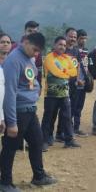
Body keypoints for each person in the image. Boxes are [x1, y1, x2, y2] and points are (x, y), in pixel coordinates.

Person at [0, 33, 57, 191]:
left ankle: (39, 176)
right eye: (34, 49)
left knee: (37, 141)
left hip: (30, 110)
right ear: (25, 42)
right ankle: (5, 182)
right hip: (18, 111)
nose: (36, 54)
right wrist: (11, 122)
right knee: (10, 146)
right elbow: (9, 93)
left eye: (39, 51)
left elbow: (30, 81)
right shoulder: (13, 60)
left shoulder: (29, 58)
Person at [41, 36, 80, 150]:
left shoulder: (67, 58)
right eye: (60, 44)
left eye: (64, 45)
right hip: (51, 94)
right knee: (49, 117)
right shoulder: (49, 58)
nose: (62, 47)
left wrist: (65, 71)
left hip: (64, 94)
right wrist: (66, 72)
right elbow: (55, 72)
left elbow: (74, 72)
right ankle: (45, 140)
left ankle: (69, 140)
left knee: (67, 117)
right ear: (54, 45)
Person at [71, 29, 90, 136]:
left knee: (79, 107)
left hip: (83, 84)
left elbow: (86, 66)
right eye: (81, 38)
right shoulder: (74, 50)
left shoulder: (86, 51)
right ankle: (69, 128)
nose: (83, 40)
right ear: (77, 39)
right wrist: (77, 79)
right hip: (75, 83)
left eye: (85, 38)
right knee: (72, 106)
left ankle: (76, 128)